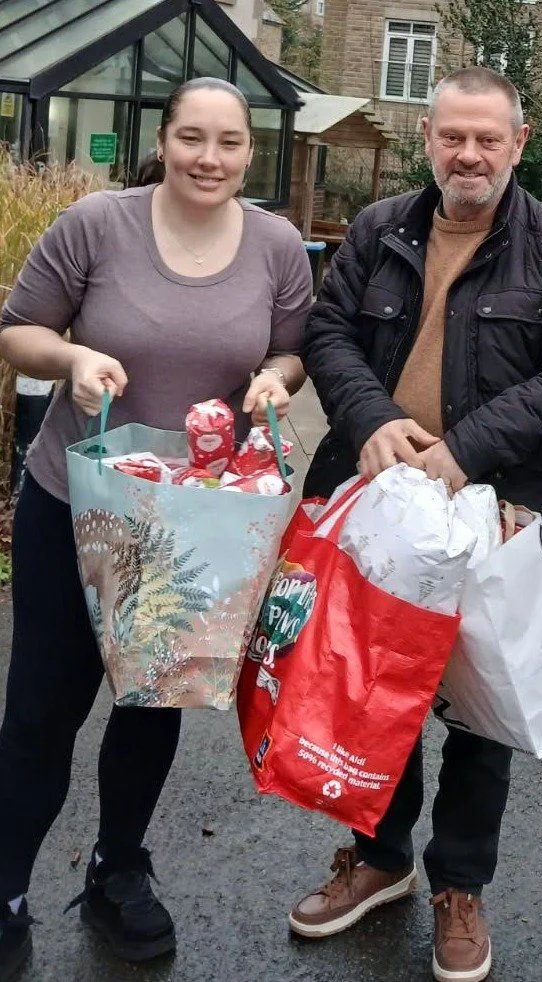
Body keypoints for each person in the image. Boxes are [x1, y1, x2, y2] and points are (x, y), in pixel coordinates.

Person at [295, 66, 542, 982]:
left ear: (518, 144)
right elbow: (328, 336)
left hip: (505, 513)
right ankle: (381, 858)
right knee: (376, 693)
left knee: (483, 710)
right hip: (382, 507)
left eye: (488, 139)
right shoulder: (378, 227)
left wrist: (467, 446)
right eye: (452, 137)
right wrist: (369, 419)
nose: (467, 154)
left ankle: (459, 884)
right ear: (427, 138)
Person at [0, 76, 310, 979]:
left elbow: (291, 346)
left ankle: (118, 869)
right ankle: (7, 886)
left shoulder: (278, 244)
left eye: (228, 143)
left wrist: (275, 382)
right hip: (79, 504)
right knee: (42, 711)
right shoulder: (99, 225)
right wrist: (72, 357)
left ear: (250, 152)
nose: (208, 159)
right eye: (191, 139)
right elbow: (17, 332)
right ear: (165, 140)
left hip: (195, 522)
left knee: (154, 701)